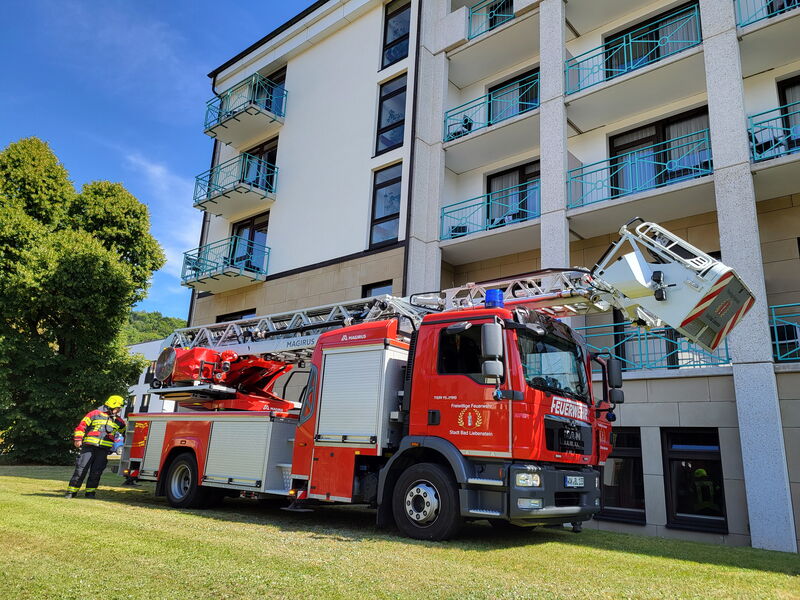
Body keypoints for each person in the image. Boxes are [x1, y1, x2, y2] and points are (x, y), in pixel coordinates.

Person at [65, 395, 127, 499]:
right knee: (80, 470)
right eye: (118, 408)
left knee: (96, 472)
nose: (119, 410)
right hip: (89, 448)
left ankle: (90, 493)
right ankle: (71, 492)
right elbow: (82, 426)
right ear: (111, 406)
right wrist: (78, 439)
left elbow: (126, 433)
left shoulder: (119, 421)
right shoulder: (94, 414)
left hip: (103, 450)